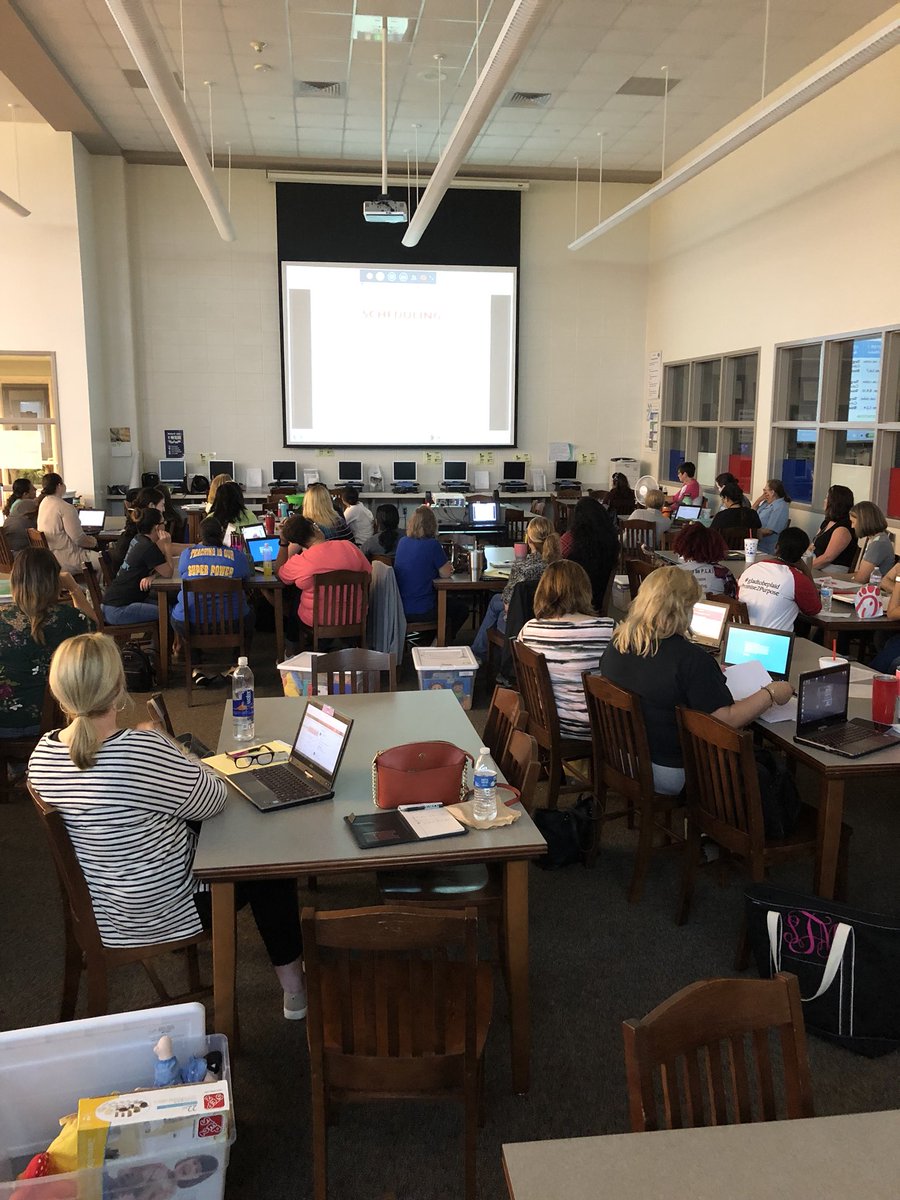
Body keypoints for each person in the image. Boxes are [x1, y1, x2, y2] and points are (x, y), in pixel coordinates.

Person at [28, 633, 307, 1018]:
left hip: (105, 908)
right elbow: (214, 798)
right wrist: (169, 746)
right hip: (167, 910)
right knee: (265, 865)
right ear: (117, 686)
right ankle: (294, 987)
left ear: (60, 691)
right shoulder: (139, 750)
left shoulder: (43, 754)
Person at [601, 567, 794, 795]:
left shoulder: (617, 644)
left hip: (621, 756)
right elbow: (726, 721)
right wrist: (770, 693)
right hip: (669, 771)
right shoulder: (691, 660)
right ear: (684, 611)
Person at [0, 548, 95, 740]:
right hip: (53, 720)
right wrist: (74, 588)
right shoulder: (70, 619)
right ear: (54, 580)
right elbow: (95, 629)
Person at [517, 560, 614, 740]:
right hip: (596, 728)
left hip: (544, 723)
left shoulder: (529, 630)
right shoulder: (608, 629)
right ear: (585, 589)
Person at [471, 516, 560, 662]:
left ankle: (478, 655)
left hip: (518, 625)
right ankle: (483, 654)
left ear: (528, 540)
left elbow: (508, 606)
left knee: (497, 606)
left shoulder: (521, 567)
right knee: (496, 603)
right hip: (550, 620)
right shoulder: (560, 566)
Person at [276, 513, 371, 634]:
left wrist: (283, 543)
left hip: (316, 621)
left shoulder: (300, 562)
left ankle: (292, 648)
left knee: (296, 598)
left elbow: (280, 574)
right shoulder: (349, 546)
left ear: (298, 542)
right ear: (314, 528)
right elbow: (368, 577)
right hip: (356, 617)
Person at [169, 517, 254, 645]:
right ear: (222, 534)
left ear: (199, 536)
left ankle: (193, 659)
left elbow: (182, 573)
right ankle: (239, 658)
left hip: (190, 623)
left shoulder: (186, 555)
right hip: (233, 622)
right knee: (251, 612)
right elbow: (246, 577)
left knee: (175, 613)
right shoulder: (237, 556)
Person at [392, 505, 467, 636]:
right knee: (461, 609)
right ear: (432, 525)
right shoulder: (432, 545)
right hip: (423, 608)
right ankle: (439, 641)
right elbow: (445, 573)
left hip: (400, 607)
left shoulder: (402, 542)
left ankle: (427, 637)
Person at [738, 527, 822, 630]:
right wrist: (806, 571)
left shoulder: (752, 568)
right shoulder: (797, 579)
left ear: (776, 547)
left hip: (741, 634)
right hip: (775, 641)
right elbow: (814, 609)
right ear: (802, 554)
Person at [101, 508, 173, 625]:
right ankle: (165, 643)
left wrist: (153, 577)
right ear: (157, 527)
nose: (165, 525)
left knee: (167, 604)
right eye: (163, 523)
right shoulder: (148, 547)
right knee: (169, 612)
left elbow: (159, 568)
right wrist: (167, 545)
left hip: (111, 603)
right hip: (119, 609)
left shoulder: (138, 539)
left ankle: (161, 641)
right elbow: (168, 572)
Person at [559, 496, 618, 613]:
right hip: (598, 598)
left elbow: (558, 560)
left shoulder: (571, 538)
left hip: (572, 599)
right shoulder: (612, 542)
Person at [36, 472, 97, 573]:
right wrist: (93, 542)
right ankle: (97, 588)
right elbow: (78, 539)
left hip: (50, 558)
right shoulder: (65, 507)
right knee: (104, 561)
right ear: (59, 486)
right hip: (68, 558)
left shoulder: (43, 503)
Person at [108, 486, 166, 571]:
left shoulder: (137, 525)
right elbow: (163, 548)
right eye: (162, 505)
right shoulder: (144, 529)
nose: (164, 509)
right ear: (151, 506)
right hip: (132, 580)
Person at [672, 523, 737, 597]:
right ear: (716, 547)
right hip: (715, 607)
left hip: (682, 607)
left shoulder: (672, 573)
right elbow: (733, 598)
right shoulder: (723, 573)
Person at [811, 484, 857, 570]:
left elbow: (827, 558)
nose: (824, 501)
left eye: (827, 498)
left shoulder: (843, 528)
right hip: (817, 563)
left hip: (831, 569)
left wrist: (805, 567)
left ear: (835, 503)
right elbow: (813, 544)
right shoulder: (827, 522)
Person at [847, 501, 894, 583]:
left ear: (863, 522)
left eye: (853, 522)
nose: (852, 526)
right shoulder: (876, 539)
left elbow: (861, 579)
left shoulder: (878, 543)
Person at [752, 479, 791, 554]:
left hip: (765, 547)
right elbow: (752, 513)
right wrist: (759, 500)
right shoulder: (767, 503)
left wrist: (751, 532)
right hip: (756, 542)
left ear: (772, 492)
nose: (764, 494)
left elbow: (769, 531)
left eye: (765, 491)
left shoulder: (780, 507)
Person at [2, 479, 38, 555]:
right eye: (32, 489)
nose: (36, 489)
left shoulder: (16, 504)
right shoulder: (23, 504)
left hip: (11, 550)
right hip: (19, 552)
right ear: (25, 494)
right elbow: (38, 502)